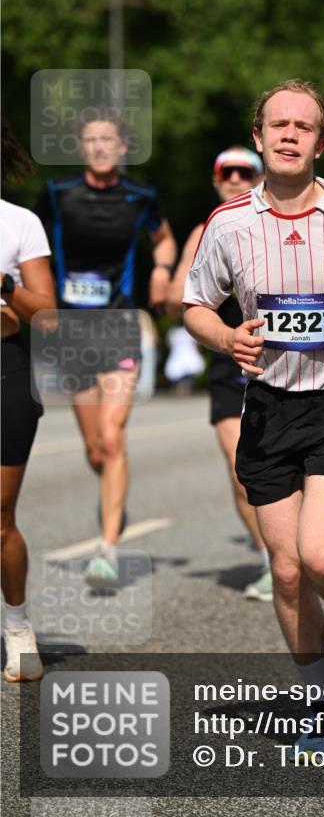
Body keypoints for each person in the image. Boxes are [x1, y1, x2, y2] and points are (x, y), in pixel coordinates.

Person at [183, 79, 324, 758]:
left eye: (303, 126)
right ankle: (318, 700)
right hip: (268, 409)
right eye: (277, 124)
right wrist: (227, 338)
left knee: (319, 556)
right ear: (258, 137)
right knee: (285, 573)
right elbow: (195, 305)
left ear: (321, 141)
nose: (289, 134)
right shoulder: (229, 223)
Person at [34, 109, 177, 589]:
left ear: (122, 147)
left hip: (119, 326)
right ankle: (112, 492)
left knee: (113, 437)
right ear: (81, 147)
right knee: (96, 449)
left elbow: (163, 239)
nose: (99, 147)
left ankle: (107, 550)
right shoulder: (57, 194)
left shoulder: (140, 196)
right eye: (91, 139)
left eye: (108, 139)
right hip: (72, 333)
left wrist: (162, 270)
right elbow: (30, 247)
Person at [168, 146, 273, 600]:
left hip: (284, 363)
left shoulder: (276, 223)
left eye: (244, 172)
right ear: (215, 181)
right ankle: (273, 562)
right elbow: (177, 299)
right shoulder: (204, 231)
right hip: (229, 364)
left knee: (292, 470)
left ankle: (298, 549)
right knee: (240, 470)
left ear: (260, 177)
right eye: (225, 172)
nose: (234, 179)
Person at [1, 118, 56, 681]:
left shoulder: (19, 222)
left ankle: (17, 626)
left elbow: (48, 313)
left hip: (6, 369)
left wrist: (5, 286)